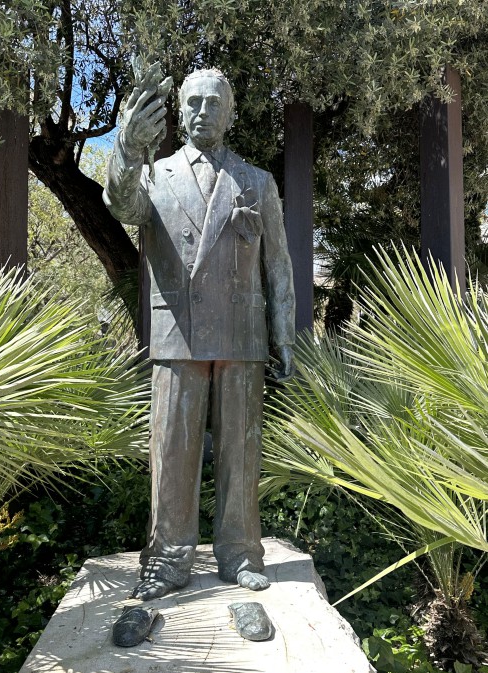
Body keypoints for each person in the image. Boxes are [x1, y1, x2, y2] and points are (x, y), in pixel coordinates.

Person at [103, 67, 295, 600]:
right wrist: (125, 146)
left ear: (230, 113)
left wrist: (284, 335)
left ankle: (240, 551)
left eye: (214, 102)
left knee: (241, 449)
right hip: (178, 331)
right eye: (194, 102)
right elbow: (121, 207)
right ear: (179, 112)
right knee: (171, 450)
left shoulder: (257, 181)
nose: (203, 111)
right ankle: (167, 558)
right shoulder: (155, 175)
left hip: (241, 332)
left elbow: (277, 265)